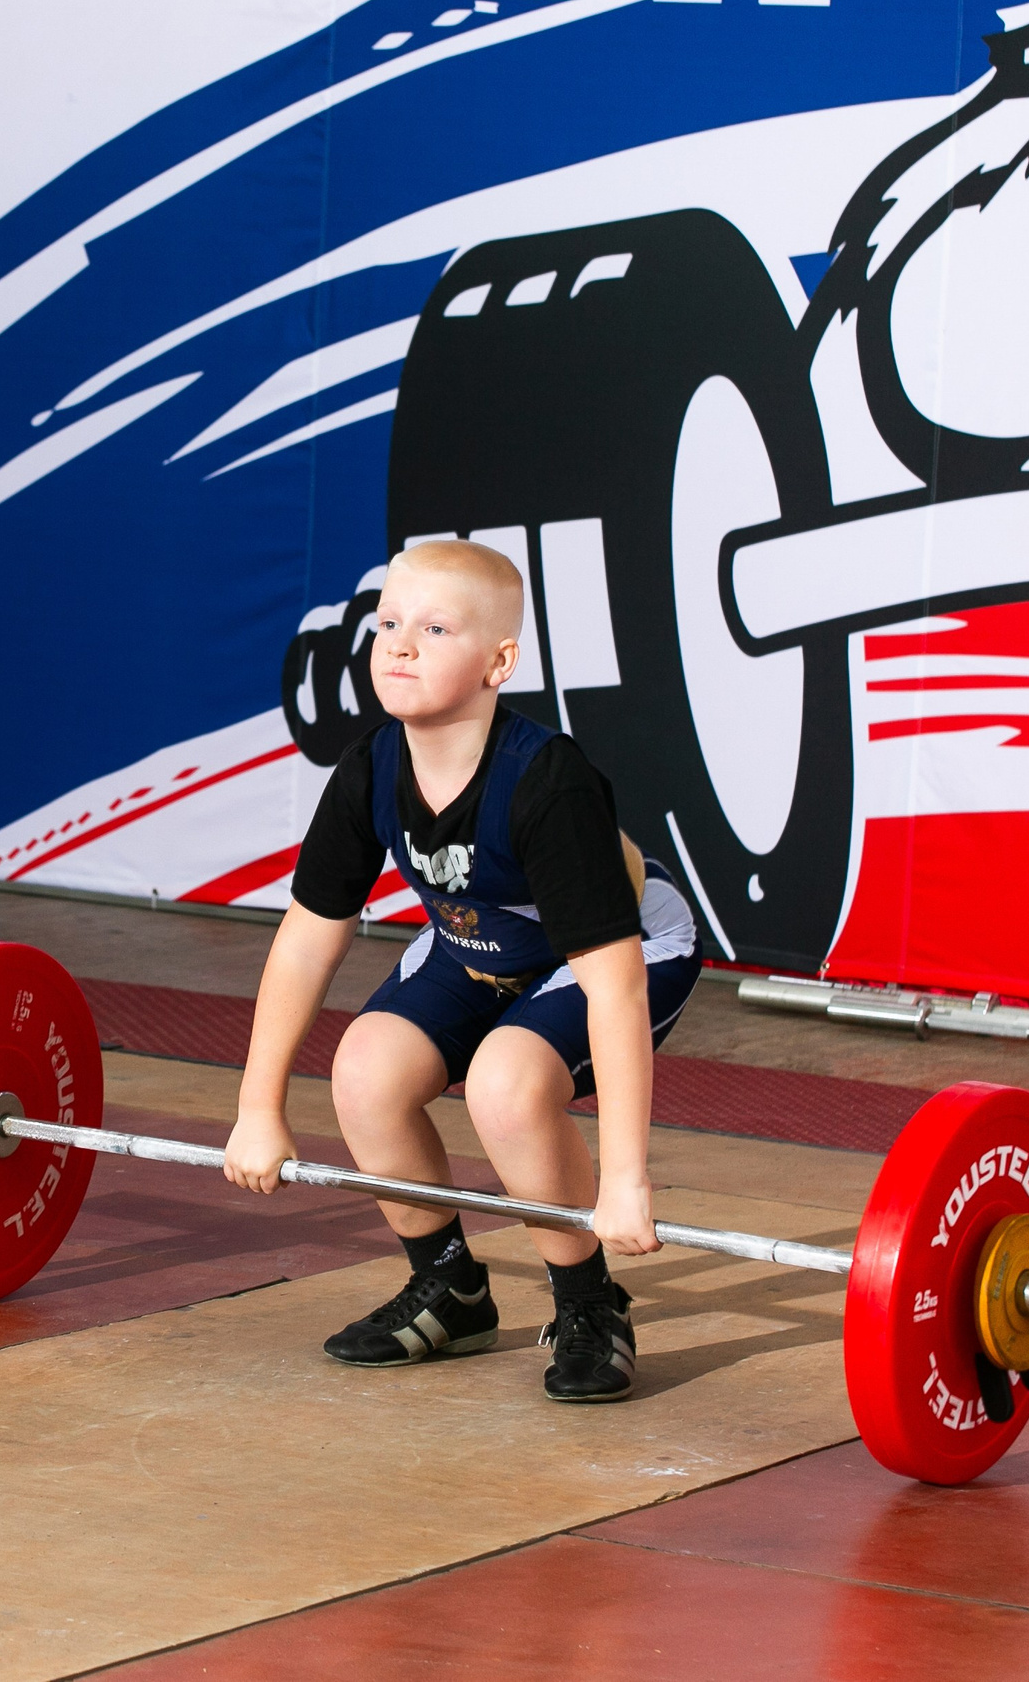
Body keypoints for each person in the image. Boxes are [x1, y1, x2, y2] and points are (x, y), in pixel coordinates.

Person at [224, 539, 702, 1402]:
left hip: (622, 949)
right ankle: (450, 1286)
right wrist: (258, 1107)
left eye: (435, 628)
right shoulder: (371, 763)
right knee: (367, 1071)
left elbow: (614, 984)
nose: (400, 644)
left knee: (506, 1087)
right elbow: (306, 937)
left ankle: (590, 1301)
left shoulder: (546, 783)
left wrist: (625, 1180)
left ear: (498, 663)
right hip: (481, 941)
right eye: (390, 621)